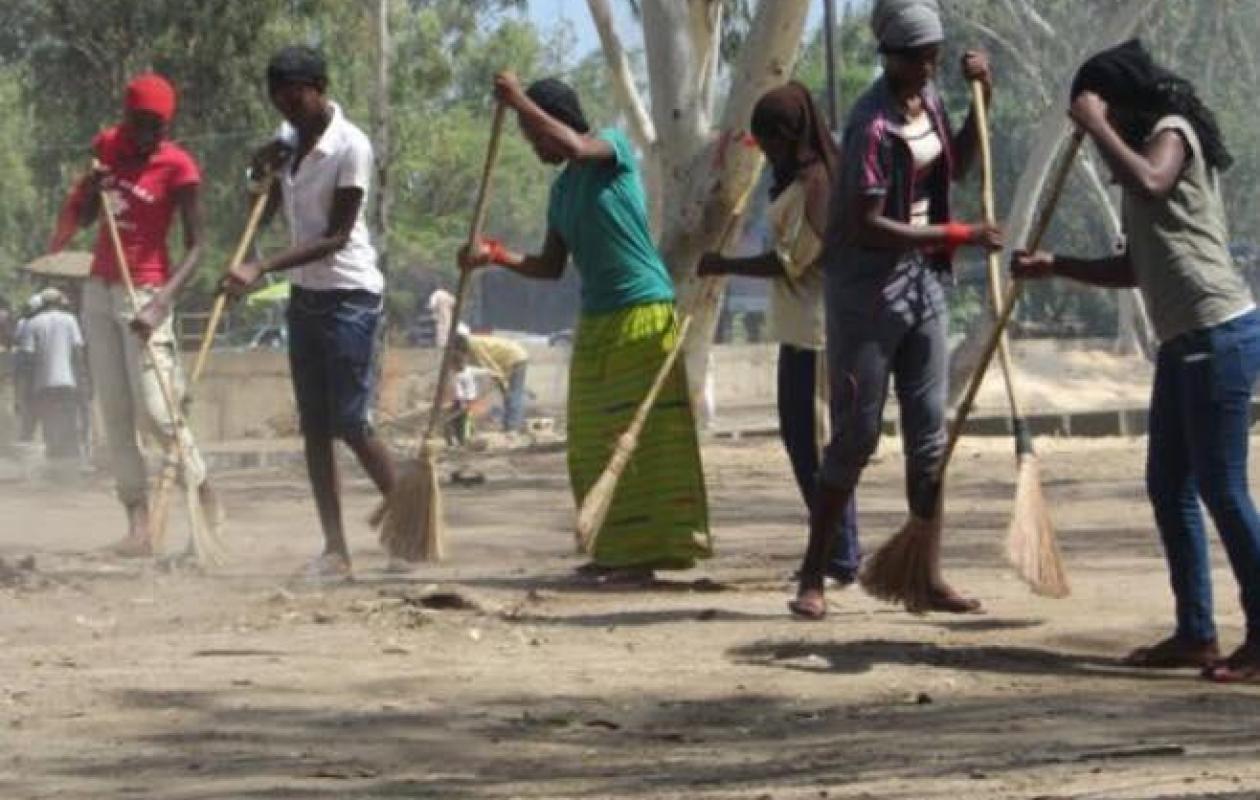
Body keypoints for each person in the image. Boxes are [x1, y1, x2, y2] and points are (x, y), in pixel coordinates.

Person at [1013, 40, 1260, 683]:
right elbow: (1135, 267)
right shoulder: (1139, 159)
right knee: (1168, 486)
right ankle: (1197, 633)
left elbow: (1151, 181)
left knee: (1222, 490)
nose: (1102, 129)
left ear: (1121, 103)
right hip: (1182, 343)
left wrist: (1093, 123)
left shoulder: (1170, 134)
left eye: (1106, 114)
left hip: (1218, 331)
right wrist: (1055, 267)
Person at [790, 0, 1003, 618]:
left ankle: (924, 574)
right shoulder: (871, 125)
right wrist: (958, 236)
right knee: (855, 436)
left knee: (930, 438)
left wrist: (979, 103)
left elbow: (955, 165)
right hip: (866, 295)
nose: (933, 68)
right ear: (894, 58)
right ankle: (813, 575)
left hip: (925, 285)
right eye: (922, 59)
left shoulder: (930, 103)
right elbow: (869, 223)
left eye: (937, 57)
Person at [459, 72, 710, 582]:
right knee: (593, 438)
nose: (536, 149)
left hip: (644, 312)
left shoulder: (610, 151)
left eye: (536, 138)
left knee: (641, 437)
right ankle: (615, 548)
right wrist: (496, 256)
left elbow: (573, 144)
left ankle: (651, 551)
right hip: (598, 321)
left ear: (556, 124)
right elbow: (551, 266)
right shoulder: (561, 193)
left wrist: (518, 101)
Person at [224, 46, 397, 581]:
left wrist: (263, 267)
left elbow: (337, 237)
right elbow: (266, 200)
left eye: (294, 96)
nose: (287, 106)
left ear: (319, 89)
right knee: (315, 427)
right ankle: (336, 550)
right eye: (278, 98)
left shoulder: (353, 147)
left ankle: (410, 513)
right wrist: (259, 170)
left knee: (351, 422)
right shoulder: (288, 139)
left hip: (350, 295)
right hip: (306, 296)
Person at [699, 82, 863, 586]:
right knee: (800, 443)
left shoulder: (818, 184)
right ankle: (832, 548)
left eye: (771, 141)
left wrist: (724, 264)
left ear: (791, 136)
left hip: (817, 333)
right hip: (797, 332)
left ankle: (840, 555)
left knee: (813, 446)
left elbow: (791, 262)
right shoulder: (795, 178)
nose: (766, 152)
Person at [68, 73, 218, 557]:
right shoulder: (105, 147)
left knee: (156, 411)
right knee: (113, 414)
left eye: (156, 125)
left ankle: (203, 499)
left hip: (146, 291)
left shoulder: (178, 166)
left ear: (166, 124)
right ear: (125, 115)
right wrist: (93, 187)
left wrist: (162, 301)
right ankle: (138, 526)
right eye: (139, 122)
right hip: (99, 289)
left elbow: (198, 248)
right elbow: (87, 217)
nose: (147, 133)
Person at [15, 288, 86, 467]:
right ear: (59, 301)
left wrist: (24, 391)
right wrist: (82, 378)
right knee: (69, 423)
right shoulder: (70, 320)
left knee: (49, 425)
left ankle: (54, 467)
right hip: (67, 381)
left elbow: (28, 358)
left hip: (43, 384)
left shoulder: (32, 323)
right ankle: (69, 467)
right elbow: (78, 351)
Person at [455, 326, 530, 433]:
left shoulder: (475, 347)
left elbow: (491, 367)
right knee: (509, 394)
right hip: (508, 359)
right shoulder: (470, 345)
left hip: (516, 357)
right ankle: (509, 425)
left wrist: (503, 384)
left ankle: (512, 428)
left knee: (512, 394)